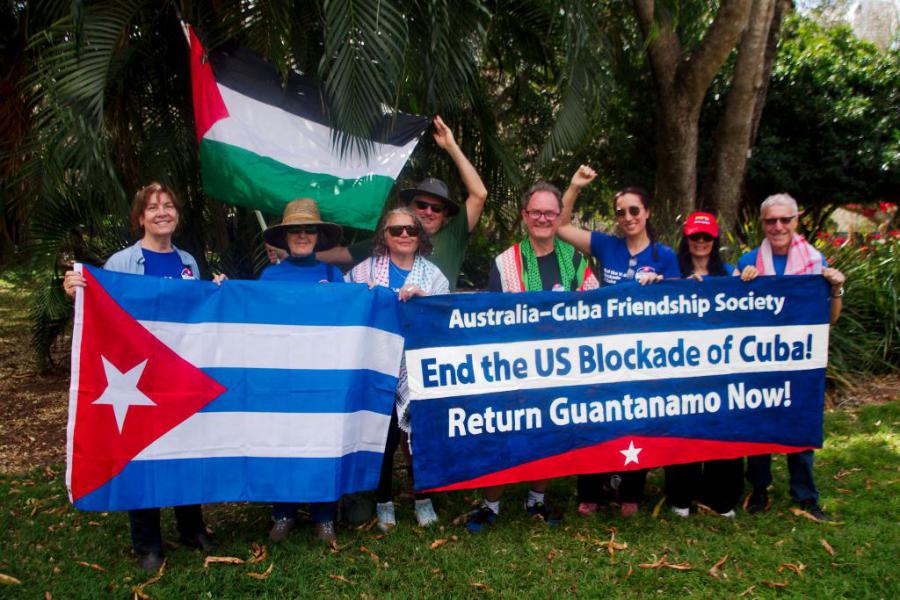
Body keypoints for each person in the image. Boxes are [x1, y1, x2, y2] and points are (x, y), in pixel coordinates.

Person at [63, 182, 223, 573]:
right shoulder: (122, 262)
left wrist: (217, 292)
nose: (162, 212)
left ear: (177, 214)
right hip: (137, 377)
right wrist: (78, 290)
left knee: (184, 447)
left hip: (179, 374)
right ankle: (148, 542)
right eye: (153, 207)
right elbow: (104, 310)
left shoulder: (188, 262)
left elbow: (195, 316)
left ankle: (191, 527)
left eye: (168, 205)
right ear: (140, 218)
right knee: (140, 452)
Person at [464, 180, 599, 533]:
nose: (543, 218)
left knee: (550, 431)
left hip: (561, 368)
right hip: (515, 367)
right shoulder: (505, 262)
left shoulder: (575, 260)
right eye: (536, 212)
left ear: (559, 216)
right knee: (504, 432)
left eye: (550, 213)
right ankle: (490, 504)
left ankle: (536, 499)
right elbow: (490, 318)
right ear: (525, 215)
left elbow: (596, 307)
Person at [557, 165, 681, 517]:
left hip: (644, 355)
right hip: (604, 352)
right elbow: (561, 227)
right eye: (621, 212)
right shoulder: (607, 245)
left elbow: (680, 305)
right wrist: (574, 186)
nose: (627, 217)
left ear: (647, 212)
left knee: (636, 419)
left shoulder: (664, 256)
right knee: (596, 418)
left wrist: (661, 286)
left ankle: (630, 493)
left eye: (634, 210)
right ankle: (590, 493)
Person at [735, 193, 845, 522]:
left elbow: (830, 318)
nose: (778, 226)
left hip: (798, 361)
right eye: (771, 220)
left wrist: (836, 288)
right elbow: (735, 314)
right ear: (762, 224)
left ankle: (805, 494)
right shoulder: (749, 261)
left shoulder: (814, 261)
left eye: (785, 219)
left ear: (796, 221)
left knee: (799, 425)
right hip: (759, 359)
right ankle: (759, 488)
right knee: (758, 425)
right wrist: (742, 284)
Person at [345, 207, 449, 531]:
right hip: (376, 366)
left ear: (420, 236)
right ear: (384, 236)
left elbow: (446, 320)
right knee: (384, 437)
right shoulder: (364, 271)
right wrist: (360, 296)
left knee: (421, 436)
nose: (404, 234)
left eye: (411, 229)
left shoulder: (434, 276)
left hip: (418, 368)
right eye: (396, 230)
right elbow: (343, 305)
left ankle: (423, 498)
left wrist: (424, 301)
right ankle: (383, 501)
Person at [260, 198, 345, 543]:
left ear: (318, 236)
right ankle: (284, 512)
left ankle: (324, 515)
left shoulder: (333, 275)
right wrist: (224, 291)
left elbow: (348, 320)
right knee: (284, 441)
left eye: (309, 229)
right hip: (282, 375)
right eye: (295, 230)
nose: (302, 235)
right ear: (285, 236)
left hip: (323, 375)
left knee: (323, 441)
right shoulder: (269, 276)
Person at [318, 116, 488, 290]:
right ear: (409, 207)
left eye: (436, 208)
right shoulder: (391, 239)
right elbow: (340, 254)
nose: (428, 212)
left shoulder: (453, 235)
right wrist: (302, 253)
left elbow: (479, 194)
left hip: (435, 306)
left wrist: (451, 146)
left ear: (444, 214)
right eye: (422, 205)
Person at [663, 212, 744, 518]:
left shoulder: (730, 273)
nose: (700, 242)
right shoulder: (673, 272)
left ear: (714, 240)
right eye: (695, 237)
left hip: (720, 366)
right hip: (682, 367)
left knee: (723, 429)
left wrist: (749, 280)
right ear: (686, 240)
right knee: (684, 429)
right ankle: (681, 496)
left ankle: (721, 497)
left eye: (706, 237)